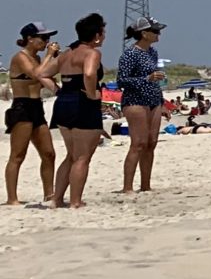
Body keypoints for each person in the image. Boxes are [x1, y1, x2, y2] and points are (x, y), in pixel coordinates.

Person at [48, 14, 106, 208]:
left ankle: (57, 199)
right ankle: (75, 201)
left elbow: (41, 74)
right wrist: (92, 94)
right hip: (83, 103)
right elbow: (89, 74)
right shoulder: (91, 53)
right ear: (97, 35)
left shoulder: (66, 54)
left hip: (64, 102)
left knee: (71, 155)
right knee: (82, 157)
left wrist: (58, 90)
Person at [6, 23, 57, 206]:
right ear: (30, 39)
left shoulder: (37, 58)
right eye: (43, 38)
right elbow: (36, 74)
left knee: (49, 153)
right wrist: (49, 56)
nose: (46, 42)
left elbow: (48, 78)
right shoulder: (21, 58)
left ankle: (49, 193)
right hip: (22, 107)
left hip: (37, 106)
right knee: (18, 154)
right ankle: (12, 198)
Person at [117, 17, 167, 193]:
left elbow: (156, 80)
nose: (158, 34)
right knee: (138, 143)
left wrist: (162, 102)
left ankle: (146, 184)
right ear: (144, 34)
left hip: (153, 99)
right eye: (155, 31)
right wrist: (146, 78)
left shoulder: (152, 52)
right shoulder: (130, 54)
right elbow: (121, 80)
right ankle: (127, 187)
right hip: (135, 100)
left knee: (151, 142)